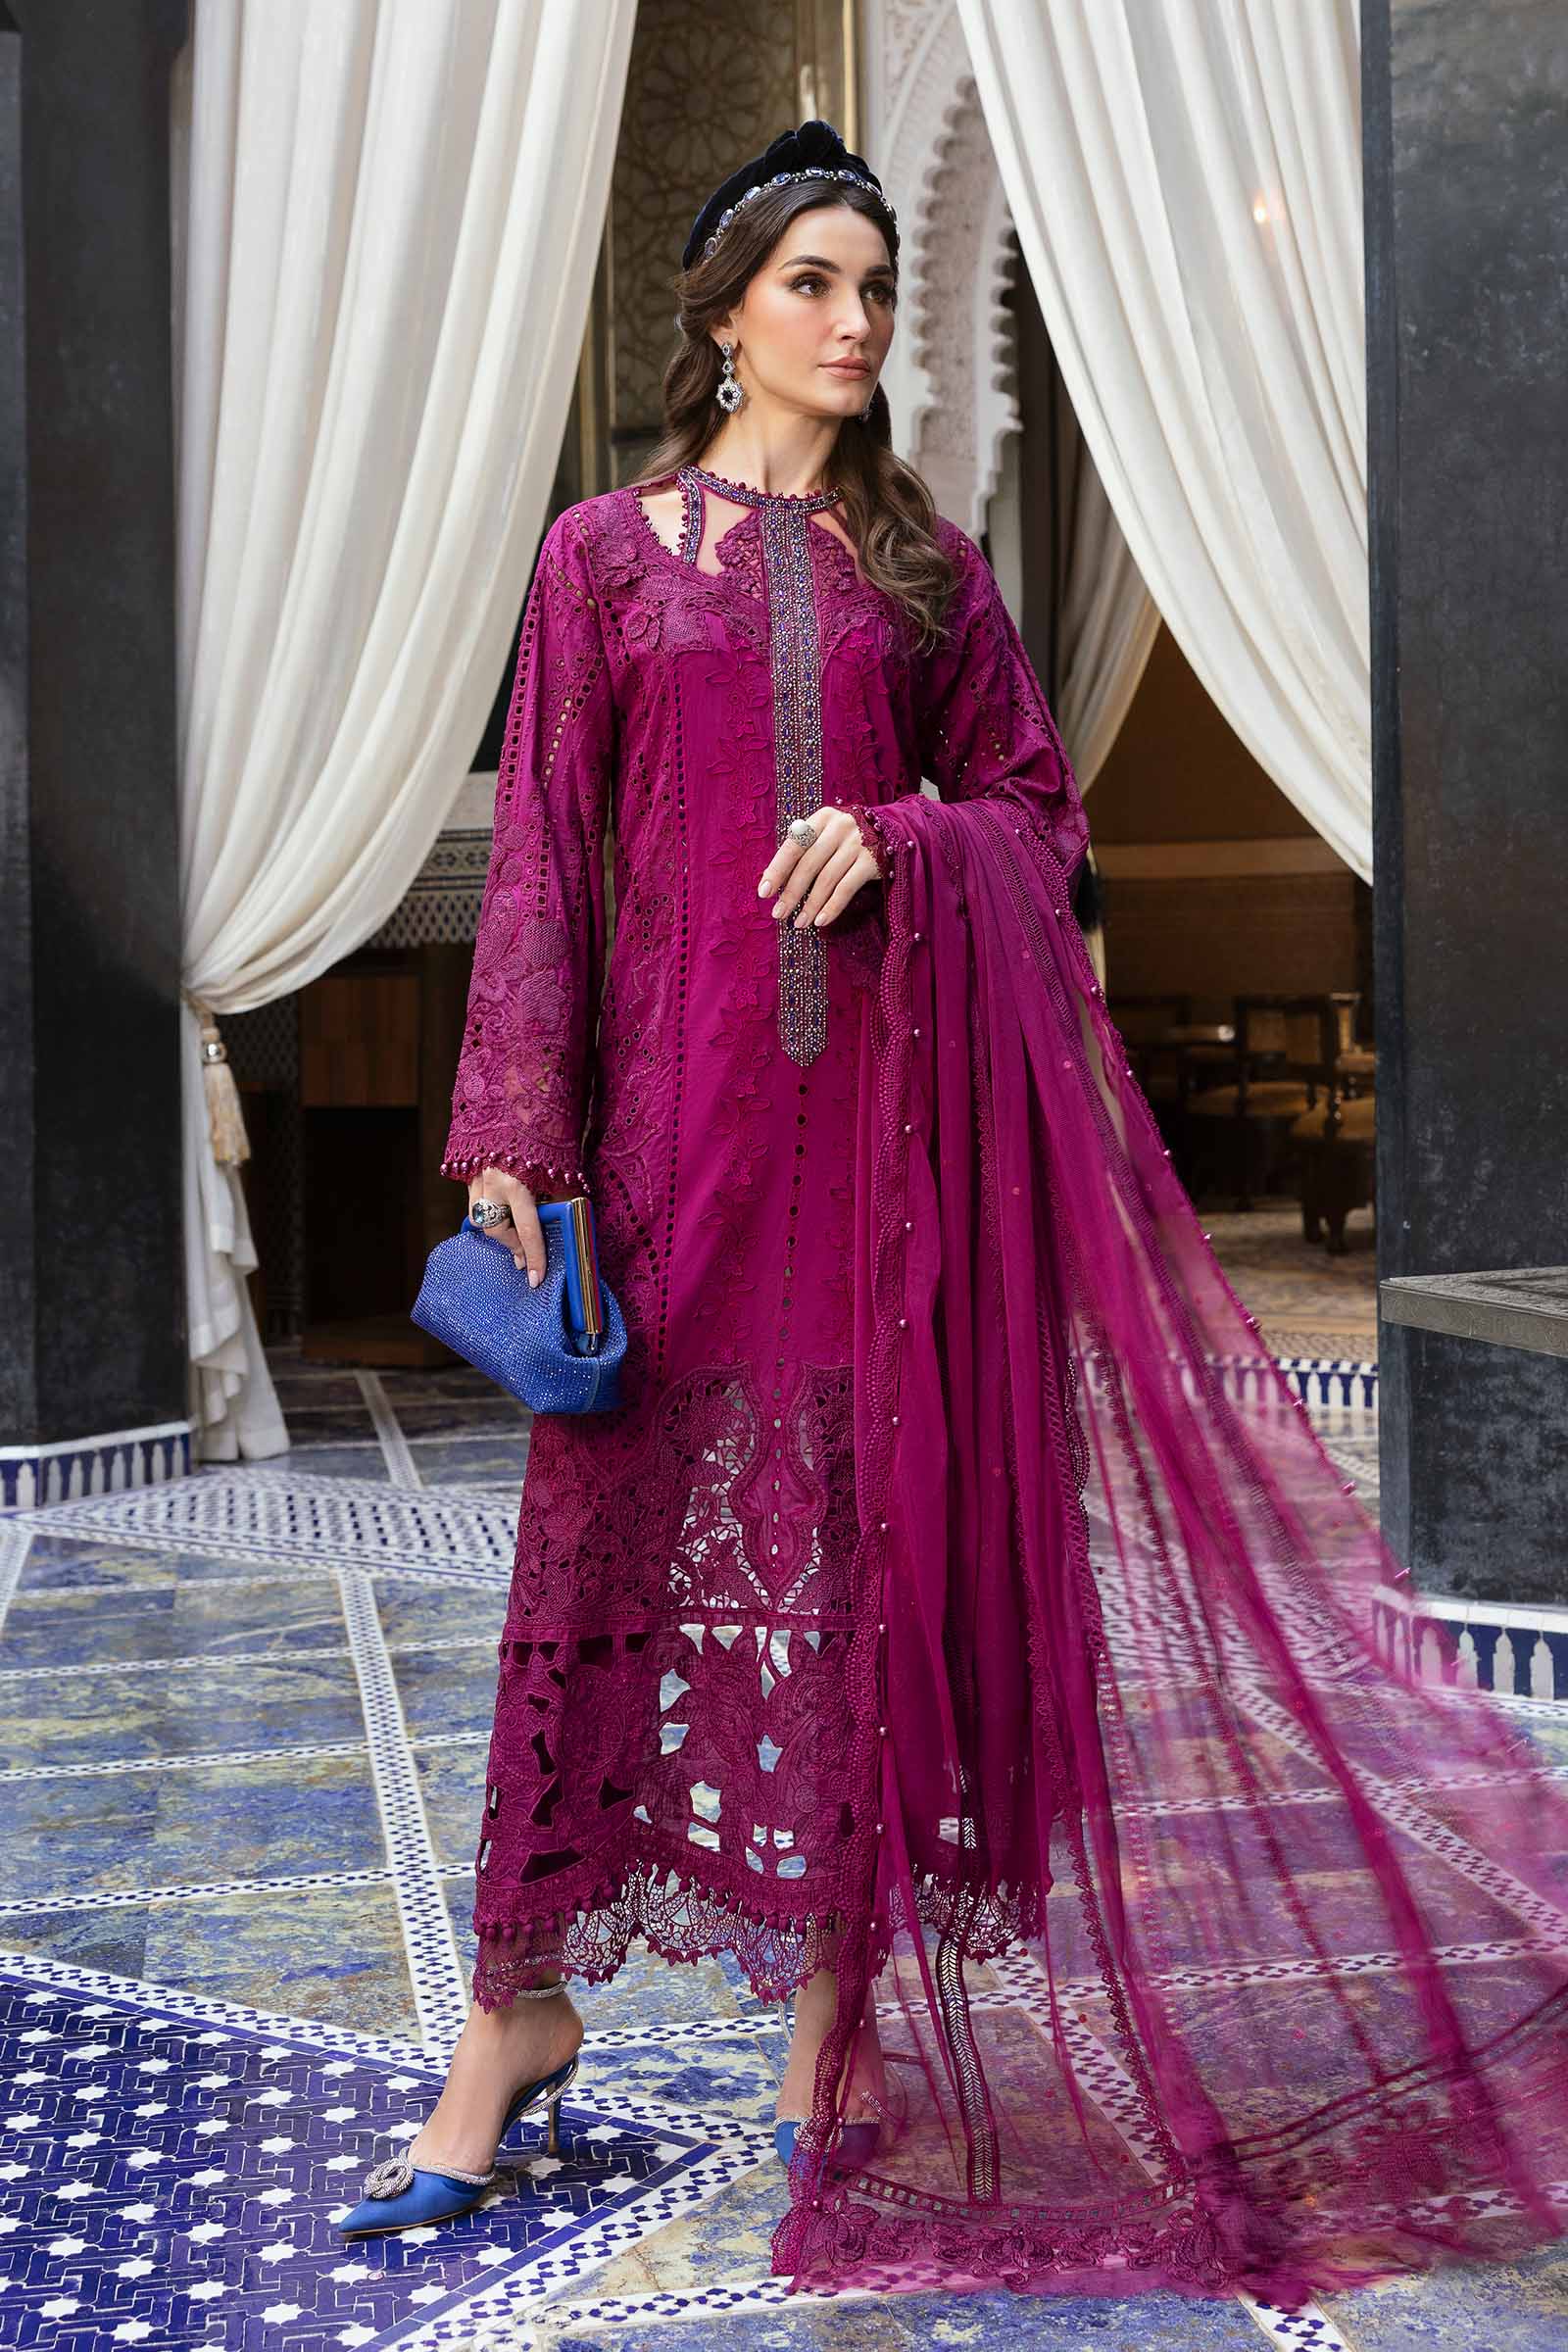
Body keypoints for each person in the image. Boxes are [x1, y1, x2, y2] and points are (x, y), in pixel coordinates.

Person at [338, 122, 1568, 2314]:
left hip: (874, 1173)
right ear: (725, 319)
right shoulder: (602, 559)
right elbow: (544, 855)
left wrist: (903, 838)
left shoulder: (923, 572)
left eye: (875, 288)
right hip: (672, 1155)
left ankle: (836, 2015)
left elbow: (1038, 819)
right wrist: (514, 1121)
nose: (853, 320)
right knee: (595, 1564)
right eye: (810, 282)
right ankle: (512, 2016)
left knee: (856, 1578)